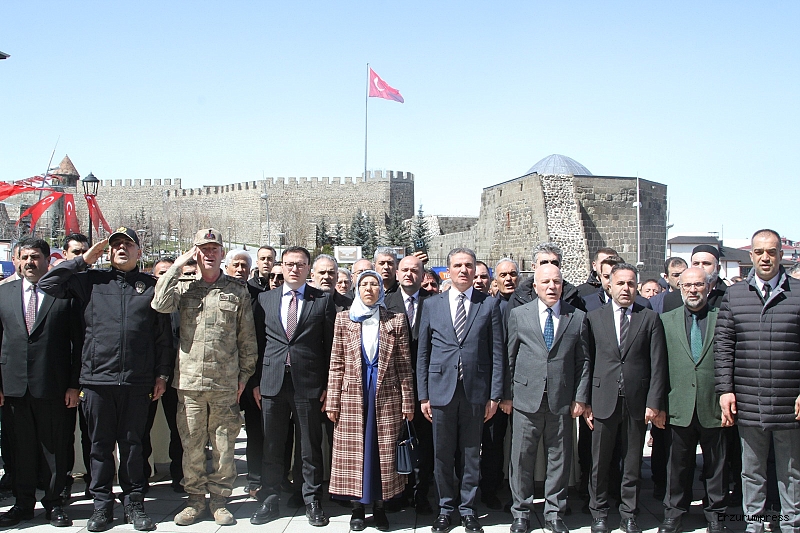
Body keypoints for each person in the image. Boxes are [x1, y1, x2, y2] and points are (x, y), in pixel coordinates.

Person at [38, 227, 173, 532]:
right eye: (116, 245)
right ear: (108, 252)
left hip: (137, 381)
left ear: (139, 252)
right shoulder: (90, 281)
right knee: (99, 447)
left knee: (133, 446)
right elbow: (48, 283)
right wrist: (83, 260)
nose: (122, 249)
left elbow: (162, 338)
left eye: (128, 244)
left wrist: (161, 374)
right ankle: (102, 505)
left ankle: (134, 503)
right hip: (97, 380)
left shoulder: (151, 287)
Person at [151, 228, 258, 526]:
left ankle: (220, 500)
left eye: (214, 249)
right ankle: (195, 500)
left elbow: (247, 339)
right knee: (192, 445)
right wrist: (178, 264)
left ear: (222, 253)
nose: (209, 254)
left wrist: (243, 377)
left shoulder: (237, 290)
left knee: (224, 445)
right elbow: (159, 303)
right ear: (195, 252)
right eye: (203, 249)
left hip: (225, 383)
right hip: (190, 383)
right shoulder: (184, 287)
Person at [715, 229, 800, 533]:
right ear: (751, 255)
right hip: (749, 399)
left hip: (789, 401)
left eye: (772, 252)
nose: (766, 258)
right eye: (760, 252)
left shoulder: (798, 293)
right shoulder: (735, 295)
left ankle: (791, 526)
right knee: (751, 472)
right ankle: (753, 525)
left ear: (781, 256)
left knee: (791, 472)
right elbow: (723, 345)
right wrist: (725, 389)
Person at [417, 247, 506, 533]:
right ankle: (445, 508)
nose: (464, 270)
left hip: (475, 392)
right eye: (458, 266)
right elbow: (423, 353)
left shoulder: (488, 305)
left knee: (470, 455)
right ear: (448, 271)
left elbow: (497, 353)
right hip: (440, 391)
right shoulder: (432, 305)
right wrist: (423, 395)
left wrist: (494, 395)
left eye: (468, 265)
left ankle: (468, 509)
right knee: (442, 454)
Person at [250, 246, 336, 527]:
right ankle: (270, 498)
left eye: (300, 264)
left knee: (310, 446)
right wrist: (255, 382)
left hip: (308, 384)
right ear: (282, 266)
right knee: (272, 445)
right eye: (289, 264)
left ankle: (312, 499)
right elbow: (257, 344)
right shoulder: (265, 299)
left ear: (308, 268)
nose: (294, 269)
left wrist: (328, 385)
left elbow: (330, 347)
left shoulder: (321, 301)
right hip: (272, 382)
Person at [0, 238, 83, 528]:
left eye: (35, 257)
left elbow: (78, 343)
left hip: (53, 386)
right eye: (24, 257)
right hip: (13, 386)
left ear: (48, 260)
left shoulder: (65, 294)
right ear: (16, 260)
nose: (29, 263)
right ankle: (23, 504)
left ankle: (54, 503)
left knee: (54, 448)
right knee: (20, 449)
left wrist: (74, 384)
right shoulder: (3, 294)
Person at [326, 270, 415, 531]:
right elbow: (336, 363)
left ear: (381, 289)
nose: (368, 288)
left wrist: (408, 402)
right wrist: (332, 400)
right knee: (354, 452)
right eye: (363, 284)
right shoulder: (344, 319)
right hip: (353, 395)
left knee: (381, 452)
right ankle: (357, 509)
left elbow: (403, 365)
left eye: (374, 284)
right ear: (357, 289)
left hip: (386, 394)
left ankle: (379, 508)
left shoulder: (395, 320)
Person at [582, 263, 667, 533]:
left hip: (636, 401)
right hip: (602, 399)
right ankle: (599, 513)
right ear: (609, 285)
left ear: (637, 287)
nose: (625, 289)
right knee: (600, 462)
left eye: (631, 284)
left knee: (632, 462)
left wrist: (654, 403)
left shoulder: (649, 318)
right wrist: (586, 402)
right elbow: (586, 361)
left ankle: (629, 513)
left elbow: (658, 364)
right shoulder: (594, 318)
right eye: (620, 283)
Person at [507, 264, 591, 533]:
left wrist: (580, 397)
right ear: (535, 286)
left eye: (557, 282)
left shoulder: (576, 317)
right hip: (526, 399)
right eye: (545, 282)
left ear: (562, 286)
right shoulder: (519, 315)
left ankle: (554, 512)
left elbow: (583, 362)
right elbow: (510, 358)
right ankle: (521, 512)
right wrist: (508, 395)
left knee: (559, 458)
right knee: (522, 458)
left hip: (561, 400)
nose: (552, 286)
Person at [657, 267, 727, 533]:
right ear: (680, 288)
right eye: (687, 286)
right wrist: (659, 404)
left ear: (708, 287)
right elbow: (659, 366)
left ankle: (716, 515)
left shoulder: (723, 318)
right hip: (679, 404)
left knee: (716, 465)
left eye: (698, 285)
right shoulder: (666, 320)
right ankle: (674, 513)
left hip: (713, 404)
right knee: (677, 465)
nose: (693, 290)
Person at [384, 254, 435, 514]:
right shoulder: (385, 303)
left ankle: (421, 493)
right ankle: (397, 492)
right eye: (404, 269)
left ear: (423, 275)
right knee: (395, 440)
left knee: (424, 443)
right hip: (393, 385)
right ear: (396, 273)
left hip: (426, 386)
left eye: (415, 270)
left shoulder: (434, 303)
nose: (408, 274)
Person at [479, 258, 520, 511]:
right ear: (496, 280)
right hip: (495, 389)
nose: (508, 279)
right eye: (503, 275)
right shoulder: (491, 306)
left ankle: (515, 490)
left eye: (513, 274)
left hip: (520, 388)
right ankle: (489, 489)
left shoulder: (525, 305)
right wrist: (501, 393)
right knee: (492, 443)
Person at [142, 257, 184, 494]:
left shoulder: (181, 304)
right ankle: (141, 476)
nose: (166, 278)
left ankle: (180, 475)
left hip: (176, 376)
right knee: (140, 430)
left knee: (178, 429)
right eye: (161, 274)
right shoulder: (145, 303)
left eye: (171, 273)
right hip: (148, 375)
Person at [507, 243, 586, 314]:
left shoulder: (572, 295)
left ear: (560, 266)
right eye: (544, 263)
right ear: (534, 266)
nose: (549, 266)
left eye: (554, 263)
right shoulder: (519, 296)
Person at [663, 245, 728, 313]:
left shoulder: (729, 296)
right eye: (696, 263)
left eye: (706, 263)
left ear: (718, 268)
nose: (700, 267)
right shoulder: (672, 299)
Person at [583, 255, 652, 312]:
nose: (610, 281)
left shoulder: (643, 305)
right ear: (600, 276)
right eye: (607, 276)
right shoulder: (587, 304)